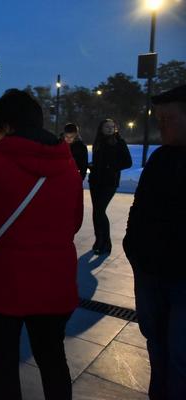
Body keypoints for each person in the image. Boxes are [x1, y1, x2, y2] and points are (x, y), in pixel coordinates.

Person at [0, 89, 83, 400]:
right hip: (54, 283)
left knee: (4, 367)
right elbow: (75, 222)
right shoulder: (67, 163)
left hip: (2, 284)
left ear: (7, 126)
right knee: (53, 361)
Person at [123, 84, 186, 400]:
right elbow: (139, 208)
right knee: (156, 346)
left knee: (180, 356)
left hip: (181, 280)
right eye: (158, 118)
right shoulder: (160, 158)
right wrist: (133, 249)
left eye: (168, 118)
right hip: (149, 273)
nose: (161, 125)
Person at [88, 119, 132, 255]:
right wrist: (93, 165)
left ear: (115, 128)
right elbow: (99, 160)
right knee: (96, 212)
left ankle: (106, 243)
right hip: (95, 181)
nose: (109, 129)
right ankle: (98, 240)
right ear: (101, 128)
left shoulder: (119, 142)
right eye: (107, 126)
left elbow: (128, 162)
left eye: (112, 126)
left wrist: (110, 167)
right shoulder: (98, 142)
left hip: (109, 182)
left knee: (100, 211)